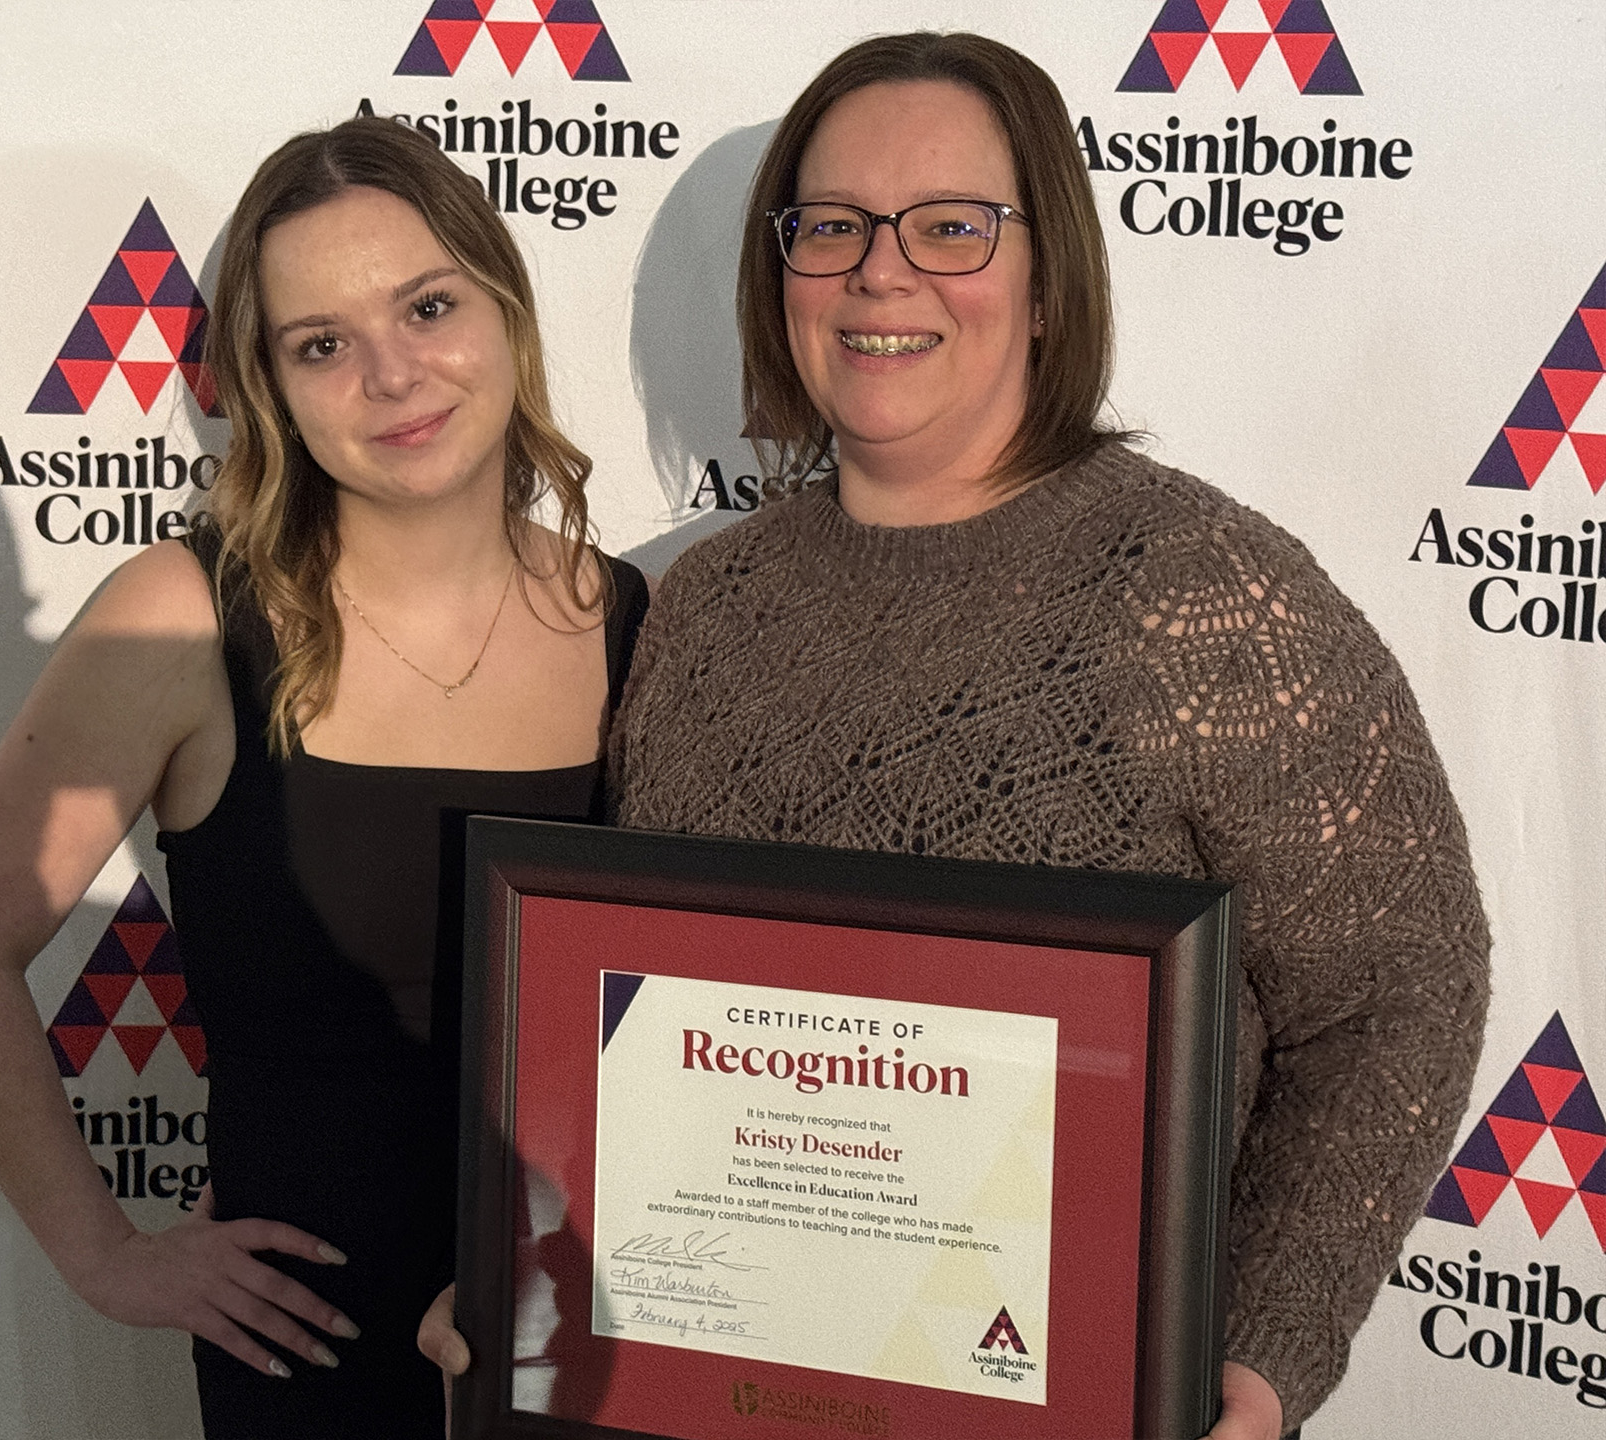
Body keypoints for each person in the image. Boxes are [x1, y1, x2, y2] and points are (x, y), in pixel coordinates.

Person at [515, 31, 1485, 1440]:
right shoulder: (703, 610)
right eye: (831, 225)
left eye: (952, 226)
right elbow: (633, 1028)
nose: (881, 272)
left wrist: (1264, 1357)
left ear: (1045, 284)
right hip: (719, 1395)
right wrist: (523, 1282)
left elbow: (1397, 999)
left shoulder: (1206, 597)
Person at [0, 117, 647, 1439]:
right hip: (314, 1358)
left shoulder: (639, 619)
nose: (393, 375)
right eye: (322, 345)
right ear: (266, 388)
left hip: (579, 1328)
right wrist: (106, 1255)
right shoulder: (182, 619)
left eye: (428, 306)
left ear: (506, 311)